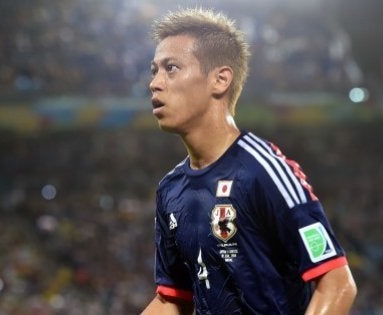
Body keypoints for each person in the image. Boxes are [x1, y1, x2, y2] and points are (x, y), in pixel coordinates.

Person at [142, 8, 357, 315]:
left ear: (220, 80)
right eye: (154, 70)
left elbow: (337, 283)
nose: (155, 83)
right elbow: (173, 300)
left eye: (171, 68)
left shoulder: (263, 170)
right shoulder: (170, 189)